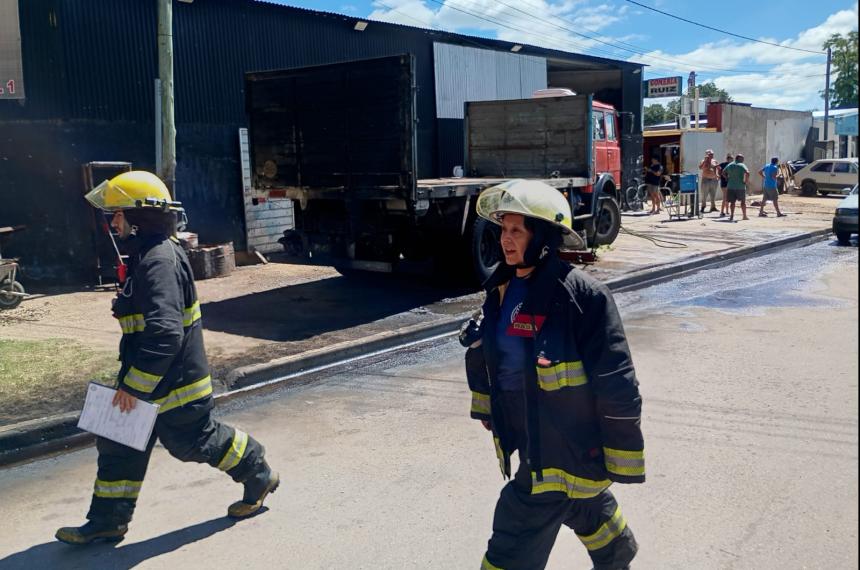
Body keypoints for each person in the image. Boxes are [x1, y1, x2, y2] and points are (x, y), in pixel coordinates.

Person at [56, 171, 279, 545]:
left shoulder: (158, 260)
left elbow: (165, 332)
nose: (113, 222)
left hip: (173, 384)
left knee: (193, 442)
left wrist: (132, 388)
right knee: (117, 443)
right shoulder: (147, 252)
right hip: (148, 376)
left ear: (140, 216)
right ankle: (106, 522)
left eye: (119, 214)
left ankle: (257, 470)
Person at [460, 179, 645, 570]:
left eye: (516, 230)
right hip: (528, 430)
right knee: (586, 503)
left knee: (517, 525)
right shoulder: (501, 288)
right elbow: (493, 357)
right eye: (503, 230)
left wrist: (619, 454)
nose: (505, 240)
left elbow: (617, 380)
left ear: (541, 236)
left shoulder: (582, 295)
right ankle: (617, 556)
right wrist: (489, 411)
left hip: (565, 441)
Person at [722, 154, 750, 222]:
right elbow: (748, 172)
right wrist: (746, 181)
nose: (743, 160)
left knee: (732, 202)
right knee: (743, 202)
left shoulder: (730, 165)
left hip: (731, 186)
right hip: (740, 187)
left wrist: (727, 178)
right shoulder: (742, 165)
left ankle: (731, 216)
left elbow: (723, 172)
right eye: (742, 159)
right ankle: (744, 216)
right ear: (739, 159)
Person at [699, 149, 720, 213]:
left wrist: (718, 175)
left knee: (713, 194)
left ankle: (713, 207)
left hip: (714, 180)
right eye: (710, 154)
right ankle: (703, 206)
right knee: (704, 195)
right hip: (706, 180)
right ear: (707, 155)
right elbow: (700, 168)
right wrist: (705, 161)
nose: (712, 155)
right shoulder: (703, 161)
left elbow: (718, 168)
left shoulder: (715, 161)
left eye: (712, 154)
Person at [717, 153, 733, 217]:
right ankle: (722, 212)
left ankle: (726, 211)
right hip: (724, 182)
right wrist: (719, 175)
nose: (732, 160)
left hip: (729, 183)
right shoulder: (723, 164)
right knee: (725, 197)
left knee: (727, 197)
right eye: (731, 158)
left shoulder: (732, 165)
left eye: (732, 158)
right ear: (728, 159)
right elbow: (717, 167)